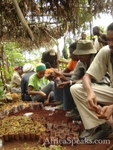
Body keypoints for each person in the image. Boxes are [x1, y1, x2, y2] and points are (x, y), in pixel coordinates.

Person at [70, 22, 113, 142]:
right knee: (76, 89)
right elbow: (86, 77)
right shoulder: (106, 52)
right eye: (109, 40)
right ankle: (103, 126)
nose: (110, 44)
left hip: (104, 85)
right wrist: (90, 92)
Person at [54, 40, 110, 117]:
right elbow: (74, 78)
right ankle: (76, 110)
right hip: (89, 84)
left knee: (77, 86)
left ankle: (93, 116)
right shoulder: (81, 62)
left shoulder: (97, 59)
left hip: (104, 83)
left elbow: (96, 79)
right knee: (72, 86)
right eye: (78, 54)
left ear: (89, 53)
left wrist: (69, 81)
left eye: (81, 54)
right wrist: (62, 78)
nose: (79, 56)